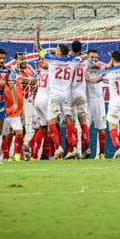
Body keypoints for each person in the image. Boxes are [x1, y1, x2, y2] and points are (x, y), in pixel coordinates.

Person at [34, 22, 80, 159]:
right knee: (69, 120)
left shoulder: (52, 60)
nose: (54, 50)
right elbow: (81, 56)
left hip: (54, 95)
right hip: (67, 95)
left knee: (51, 122)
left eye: (56, 49)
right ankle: (75, 147)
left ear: (58, 53)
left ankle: (59, 147)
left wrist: (37, 31)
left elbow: (37, 47)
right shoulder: (74, 60)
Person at [90, 51, 120, 159]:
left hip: (115, 103)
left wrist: (87, 77)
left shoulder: (109, 72)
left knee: (112, 127)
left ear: (113, 60)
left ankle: (117, 148)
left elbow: (96, 80)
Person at [70, 40, 91, 158]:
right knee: (83, 121)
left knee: (71, 121)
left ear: (71, 49)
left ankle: (74, 147)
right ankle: (87, 147)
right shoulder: (86, 61)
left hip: (71, 94)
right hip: (82, 93)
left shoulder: (69, 60)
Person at [86, 49, 108, 159]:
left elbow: (109, 66)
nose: (94, 60)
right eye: (92, 57)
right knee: (84, 128)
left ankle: (102, 153)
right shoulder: (83, 66)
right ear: (87, 57)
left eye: (96, 58)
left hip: (99, 101)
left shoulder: (101, 65)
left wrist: (112, 60)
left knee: (102, 128)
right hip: (86, 101)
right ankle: (85, 152)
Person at [30, 60, 50, 160]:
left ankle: (35, 155)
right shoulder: (53, 72)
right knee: (53, 127)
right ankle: (56, 152)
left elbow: (33, 84)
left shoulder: (40, 73)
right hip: (47, 102)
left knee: (43, 128)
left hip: (37, 101)